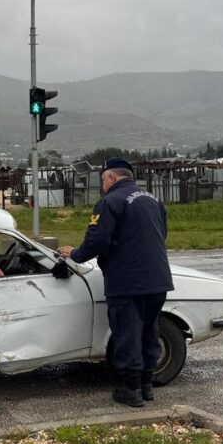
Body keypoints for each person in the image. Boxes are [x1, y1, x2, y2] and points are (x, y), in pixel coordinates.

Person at [60, 158, 173, 408]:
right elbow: (161, 234)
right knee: (149, 330)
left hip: (126, 281)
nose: (103, 186)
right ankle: (146, 385)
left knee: (127, 333)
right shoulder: (154, 200)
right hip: (158, 279)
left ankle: (130, 390)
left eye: (103, 181)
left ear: (110, 178)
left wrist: (75, 254)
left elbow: (97, 240)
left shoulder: (110, 202)